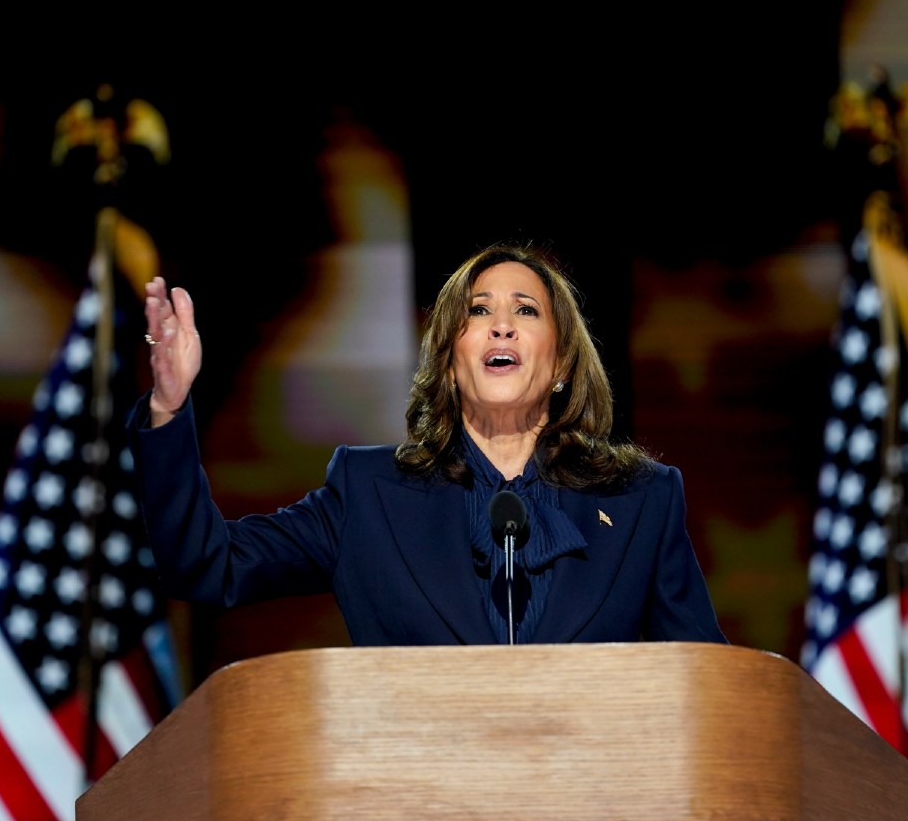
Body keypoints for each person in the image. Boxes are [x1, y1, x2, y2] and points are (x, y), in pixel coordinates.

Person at [127, 243, 726, 646]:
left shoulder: (641, 501)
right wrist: (168, 410)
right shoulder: (367, 495)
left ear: (563, 360)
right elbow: (208, 566)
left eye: (526, 310)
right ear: (448, 360)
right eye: (477, 311)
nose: (502, 324)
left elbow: (708, 688)